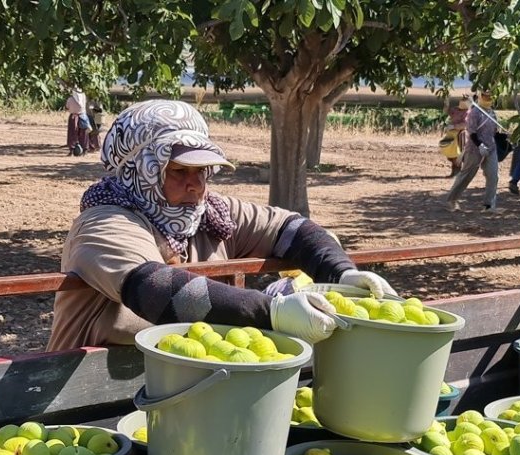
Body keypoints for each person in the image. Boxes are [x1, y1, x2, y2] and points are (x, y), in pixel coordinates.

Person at [46, 99, 395, 352]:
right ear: (140, 169)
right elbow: (154, 288)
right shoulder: (105, 222)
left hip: (184, 378)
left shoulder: (212, 214)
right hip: (87, 393)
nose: (196, 185)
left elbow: (291, 229)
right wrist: (270, 312)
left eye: (202, 171)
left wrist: (341, 272)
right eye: (179, 171)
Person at [445, 90, 502, 212]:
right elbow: (472, 132)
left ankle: (489, 205)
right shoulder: (474, 113)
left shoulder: (492, 113)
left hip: (491, 148)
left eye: (489, 96)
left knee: (493, 176)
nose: (488, 98)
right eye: (485, 95)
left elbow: (494, 131)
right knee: (467, 175)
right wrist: (480, 145)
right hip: (474, 149)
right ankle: (452, 200)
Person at [439, 95, 470, 177]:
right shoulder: (456, 109)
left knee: (457, 153)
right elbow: (446, 111)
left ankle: (457, 172)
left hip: (461, 134)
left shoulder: (468, 113)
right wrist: (446, 103)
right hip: (452, 133)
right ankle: (455, 171)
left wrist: (454, 126)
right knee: (450, 152)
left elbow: (465, 124)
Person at [65, 86, 88, 156]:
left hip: (73, 117)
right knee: (83, 134)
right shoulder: (83, 97)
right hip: (82, 117)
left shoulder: (70, 99)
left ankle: (71, 150)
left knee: (72, 133)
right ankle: (84, 150)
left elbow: (67, 107)